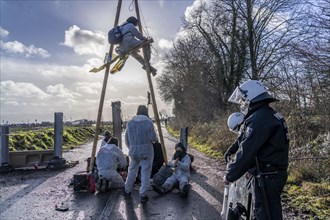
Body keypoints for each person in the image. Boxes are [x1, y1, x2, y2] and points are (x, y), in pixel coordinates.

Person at [224, 80, 290, 220]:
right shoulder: (267, 115)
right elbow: (262, 148)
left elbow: (247, 151)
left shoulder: (259, 118)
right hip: (272, 173)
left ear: (251, 97)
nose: (242, 103)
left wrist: (230, 175)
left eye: (243, 99)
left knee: (265, 215)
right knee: (267, 212)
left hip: (268, 175)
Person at [124, 105, 158, 203]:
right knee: (145, 172)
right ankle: (143, 194)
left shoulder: (130, 123)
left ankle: (127, 190)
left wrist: (132, 147)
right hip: (146, 150)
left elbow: (127, 139)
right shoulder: (148, 122)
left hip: (133, 150)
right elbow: (154, 139)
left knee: (132, 170)